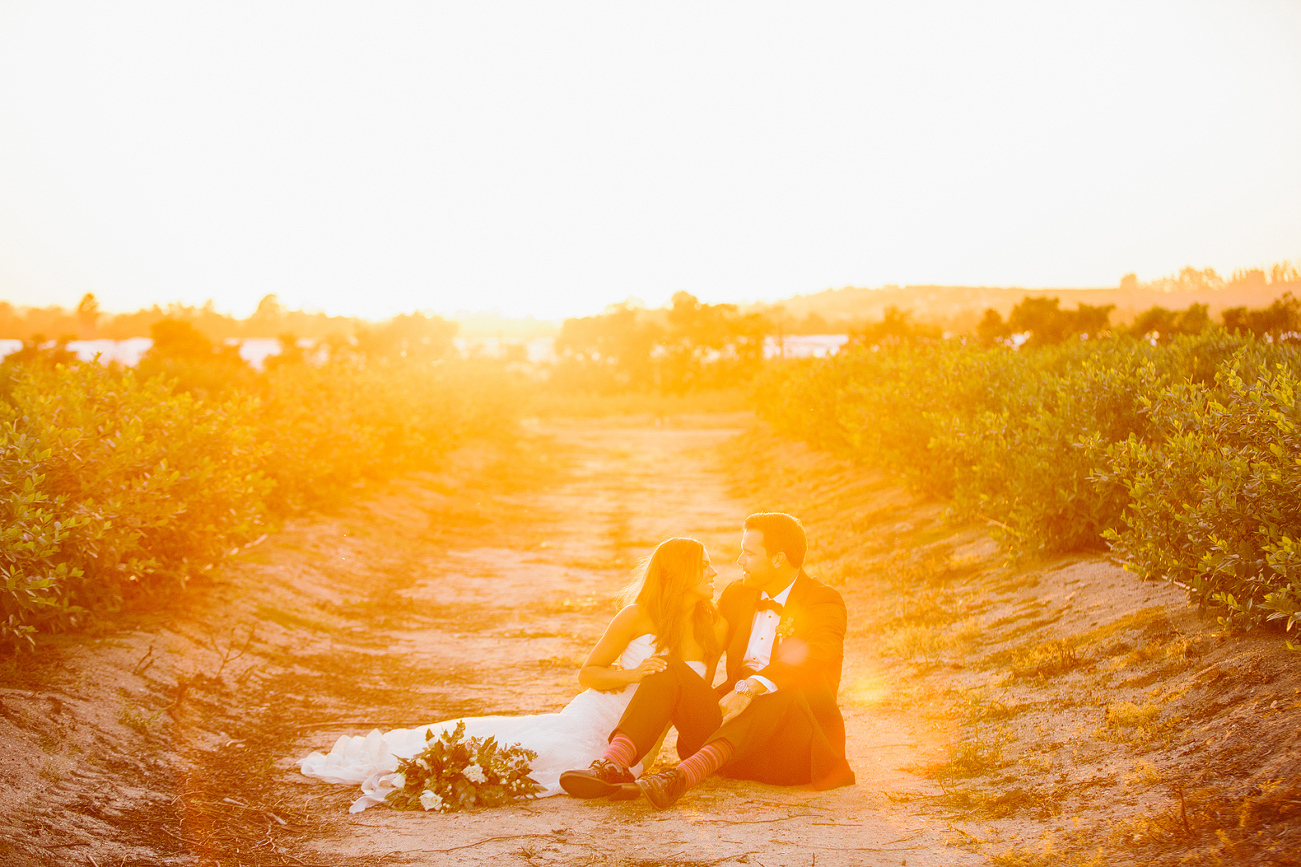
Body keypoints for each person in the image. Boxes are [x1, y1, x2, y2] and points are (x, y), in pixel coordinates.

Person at [297, 537, 723, 812]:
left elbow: (692, 695)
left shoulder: (713, 627)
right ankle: (425, 764)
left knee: (586, 769)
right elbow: (588, 673)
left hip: (643, 733)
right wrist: (632, 676)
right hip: (599, 713)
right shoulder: (636, 616)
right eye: (704, 565)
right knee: (537, 755)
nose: (714, 572)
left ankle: (616, 768)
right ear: (679, 572)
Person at [560, 512, 854, 808]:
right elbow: (699, 638)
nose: (740, 561)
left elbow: (821, 650)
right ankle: (612, 765)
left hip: (790, 753)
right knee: (670, 666)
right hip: (733, 751)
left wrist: (752, 685)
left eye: (749, 553)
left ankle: (681, 778)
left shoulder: (822, 599)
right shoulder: (737, 595)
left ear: (778, 559)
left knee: (781, 688)